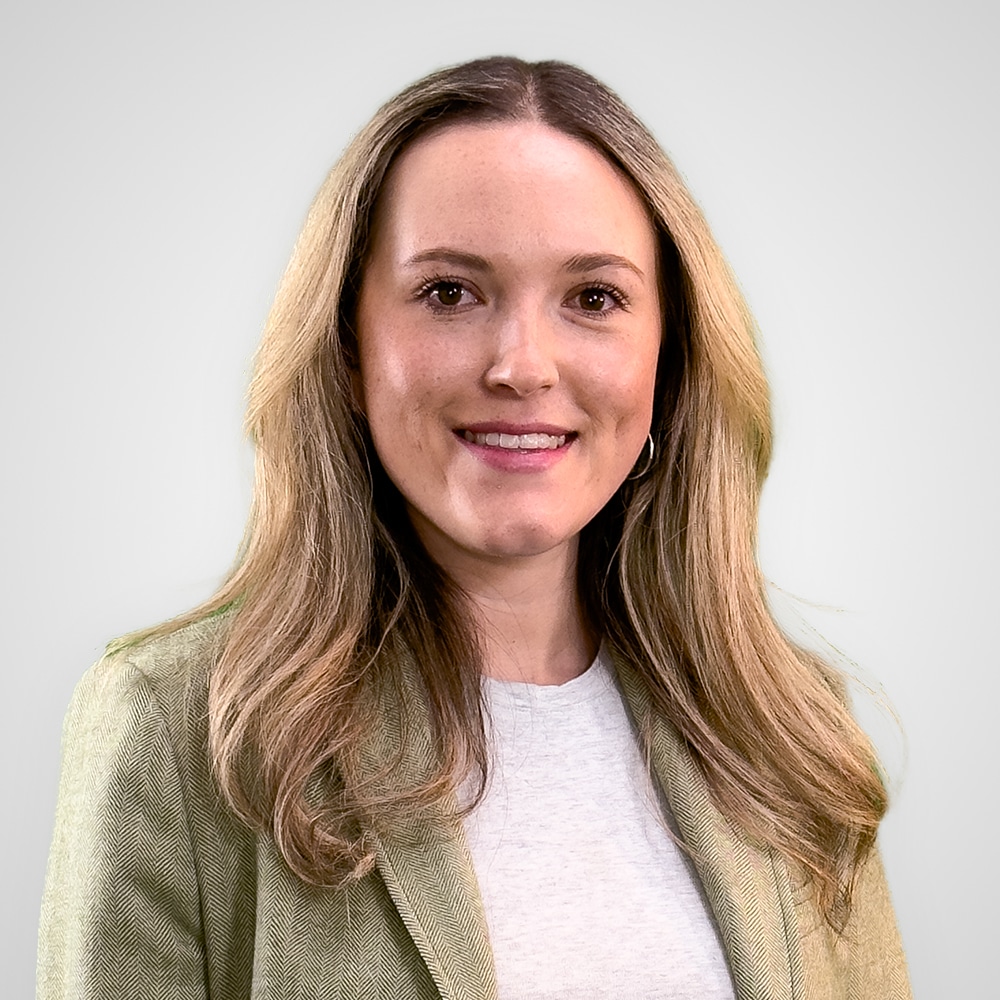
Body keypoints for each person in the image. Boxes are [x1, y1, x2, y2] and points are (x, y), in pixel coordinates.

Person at [37, 56, 911, 999]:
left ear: (672, 353)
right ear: (347, 341)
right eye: (451, 292)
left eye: (594, 298)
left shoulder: (788, 733)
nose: (523, 366)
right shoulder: (177, 734)